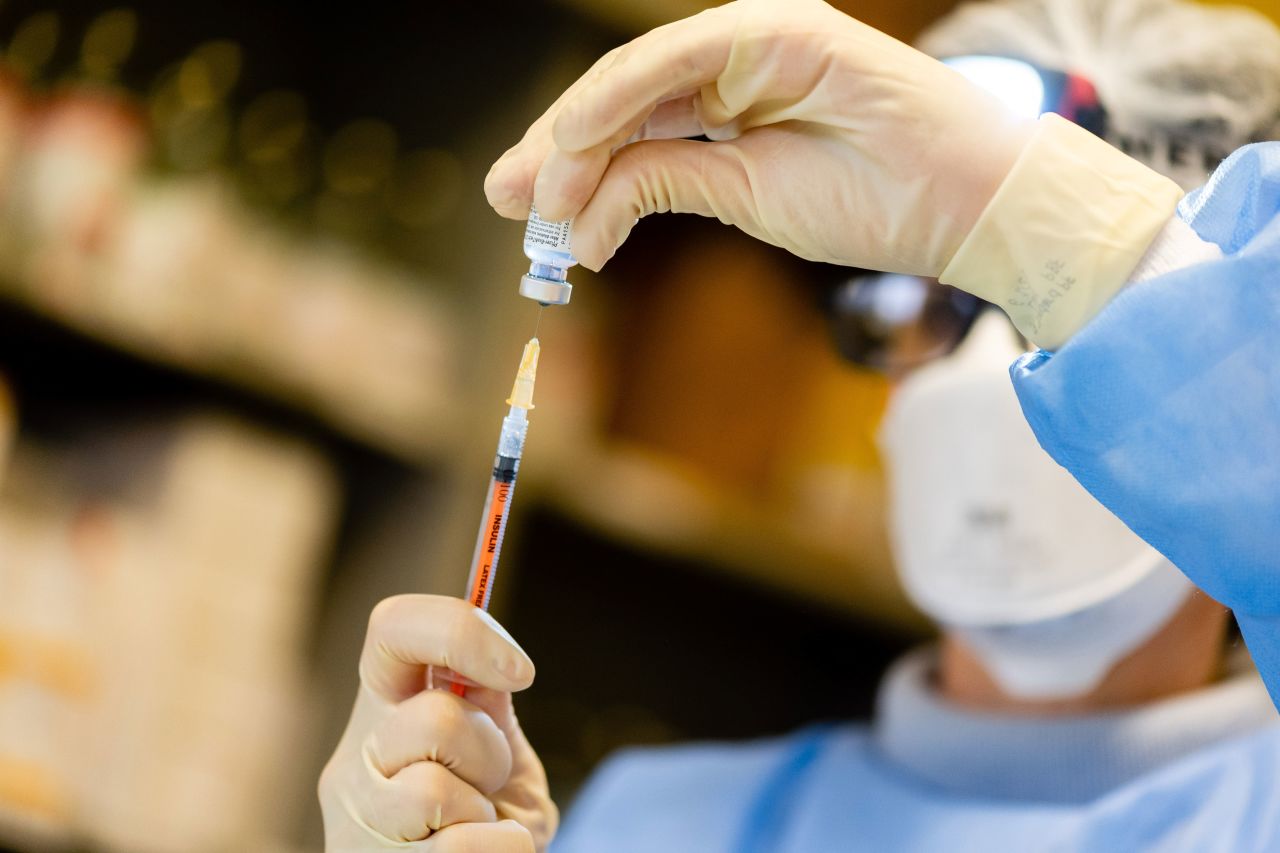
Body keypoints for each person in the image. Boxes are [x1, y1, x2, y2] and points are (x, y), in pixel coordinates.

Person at [319, 0, 1280, 848]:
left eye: (1051, 316)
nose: (990, 377)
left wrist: (1080, 234)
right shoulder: (656, 827)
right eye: (936, 302)